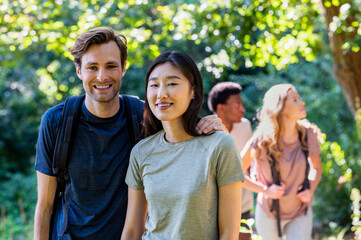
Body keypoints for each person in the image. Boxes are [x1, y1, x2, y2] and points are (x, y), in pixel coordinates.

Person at [34, 27, 226, 240]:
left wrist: (214, 126)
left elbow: (193, 134)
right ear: (79, 71)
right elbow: (45, 206)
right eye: (92, 67)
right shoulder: (56, 121)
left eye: (111, 66)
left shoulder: (146, 116)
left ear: (123, 68)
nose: (102, 76)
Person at [121, 51, 244, 240]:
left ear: (193, 91)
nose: (161, 94)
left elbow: (229, 233)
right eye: (154, 85)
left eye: (172, 84)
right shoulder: (141, 152)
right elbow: (131, 231)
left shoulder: (220, 145)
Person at [241, 84, 323, 240]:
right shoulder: (262, 141)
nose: (302, 103)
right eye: (295, 100)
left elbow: (317, 169)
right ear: (281, 108)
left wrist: (310, 190)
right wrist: (265, 190)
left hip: (300, 212)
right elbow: (235, 172)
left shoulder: (308, 135)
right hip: (268, 213)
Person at [207, 82, 254, 239]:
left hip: (244, 205)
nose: (243, 109)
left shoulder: (245, 126)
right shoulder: (206, 132)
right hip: (216, 209)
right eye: (237, 105)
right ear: (221, 108)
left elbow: (250, 163)